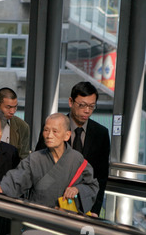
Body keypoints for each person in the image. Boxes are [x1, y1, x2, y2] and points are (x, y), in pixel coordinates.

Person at [0, 113, 99, 235]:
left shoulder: (77, 160)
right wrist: (3, 187)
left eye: (55, 131)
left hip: (67, 226)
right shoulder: (35, 159)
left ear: (67, 135)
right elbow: (19, 175)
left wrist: (78, 189)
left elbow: (92, 186)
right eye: (46, 130)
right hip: (38, 223)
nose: (49, 135)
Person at [35, 81, 110, 216]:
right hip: (52, 206)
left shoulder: (101, 134)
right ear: (71, 102)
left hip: (84, 206)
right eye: (82, 105)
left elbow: (101, 177)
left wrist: (94, 210)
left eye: (92, 106)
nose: (87, 111)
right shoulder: (53, 127)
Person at [0, 87, 30, 159]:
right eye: (8, 107)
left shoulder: (22, 127)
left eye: (15, 107)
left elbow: (24, 158)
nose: (12, 111)